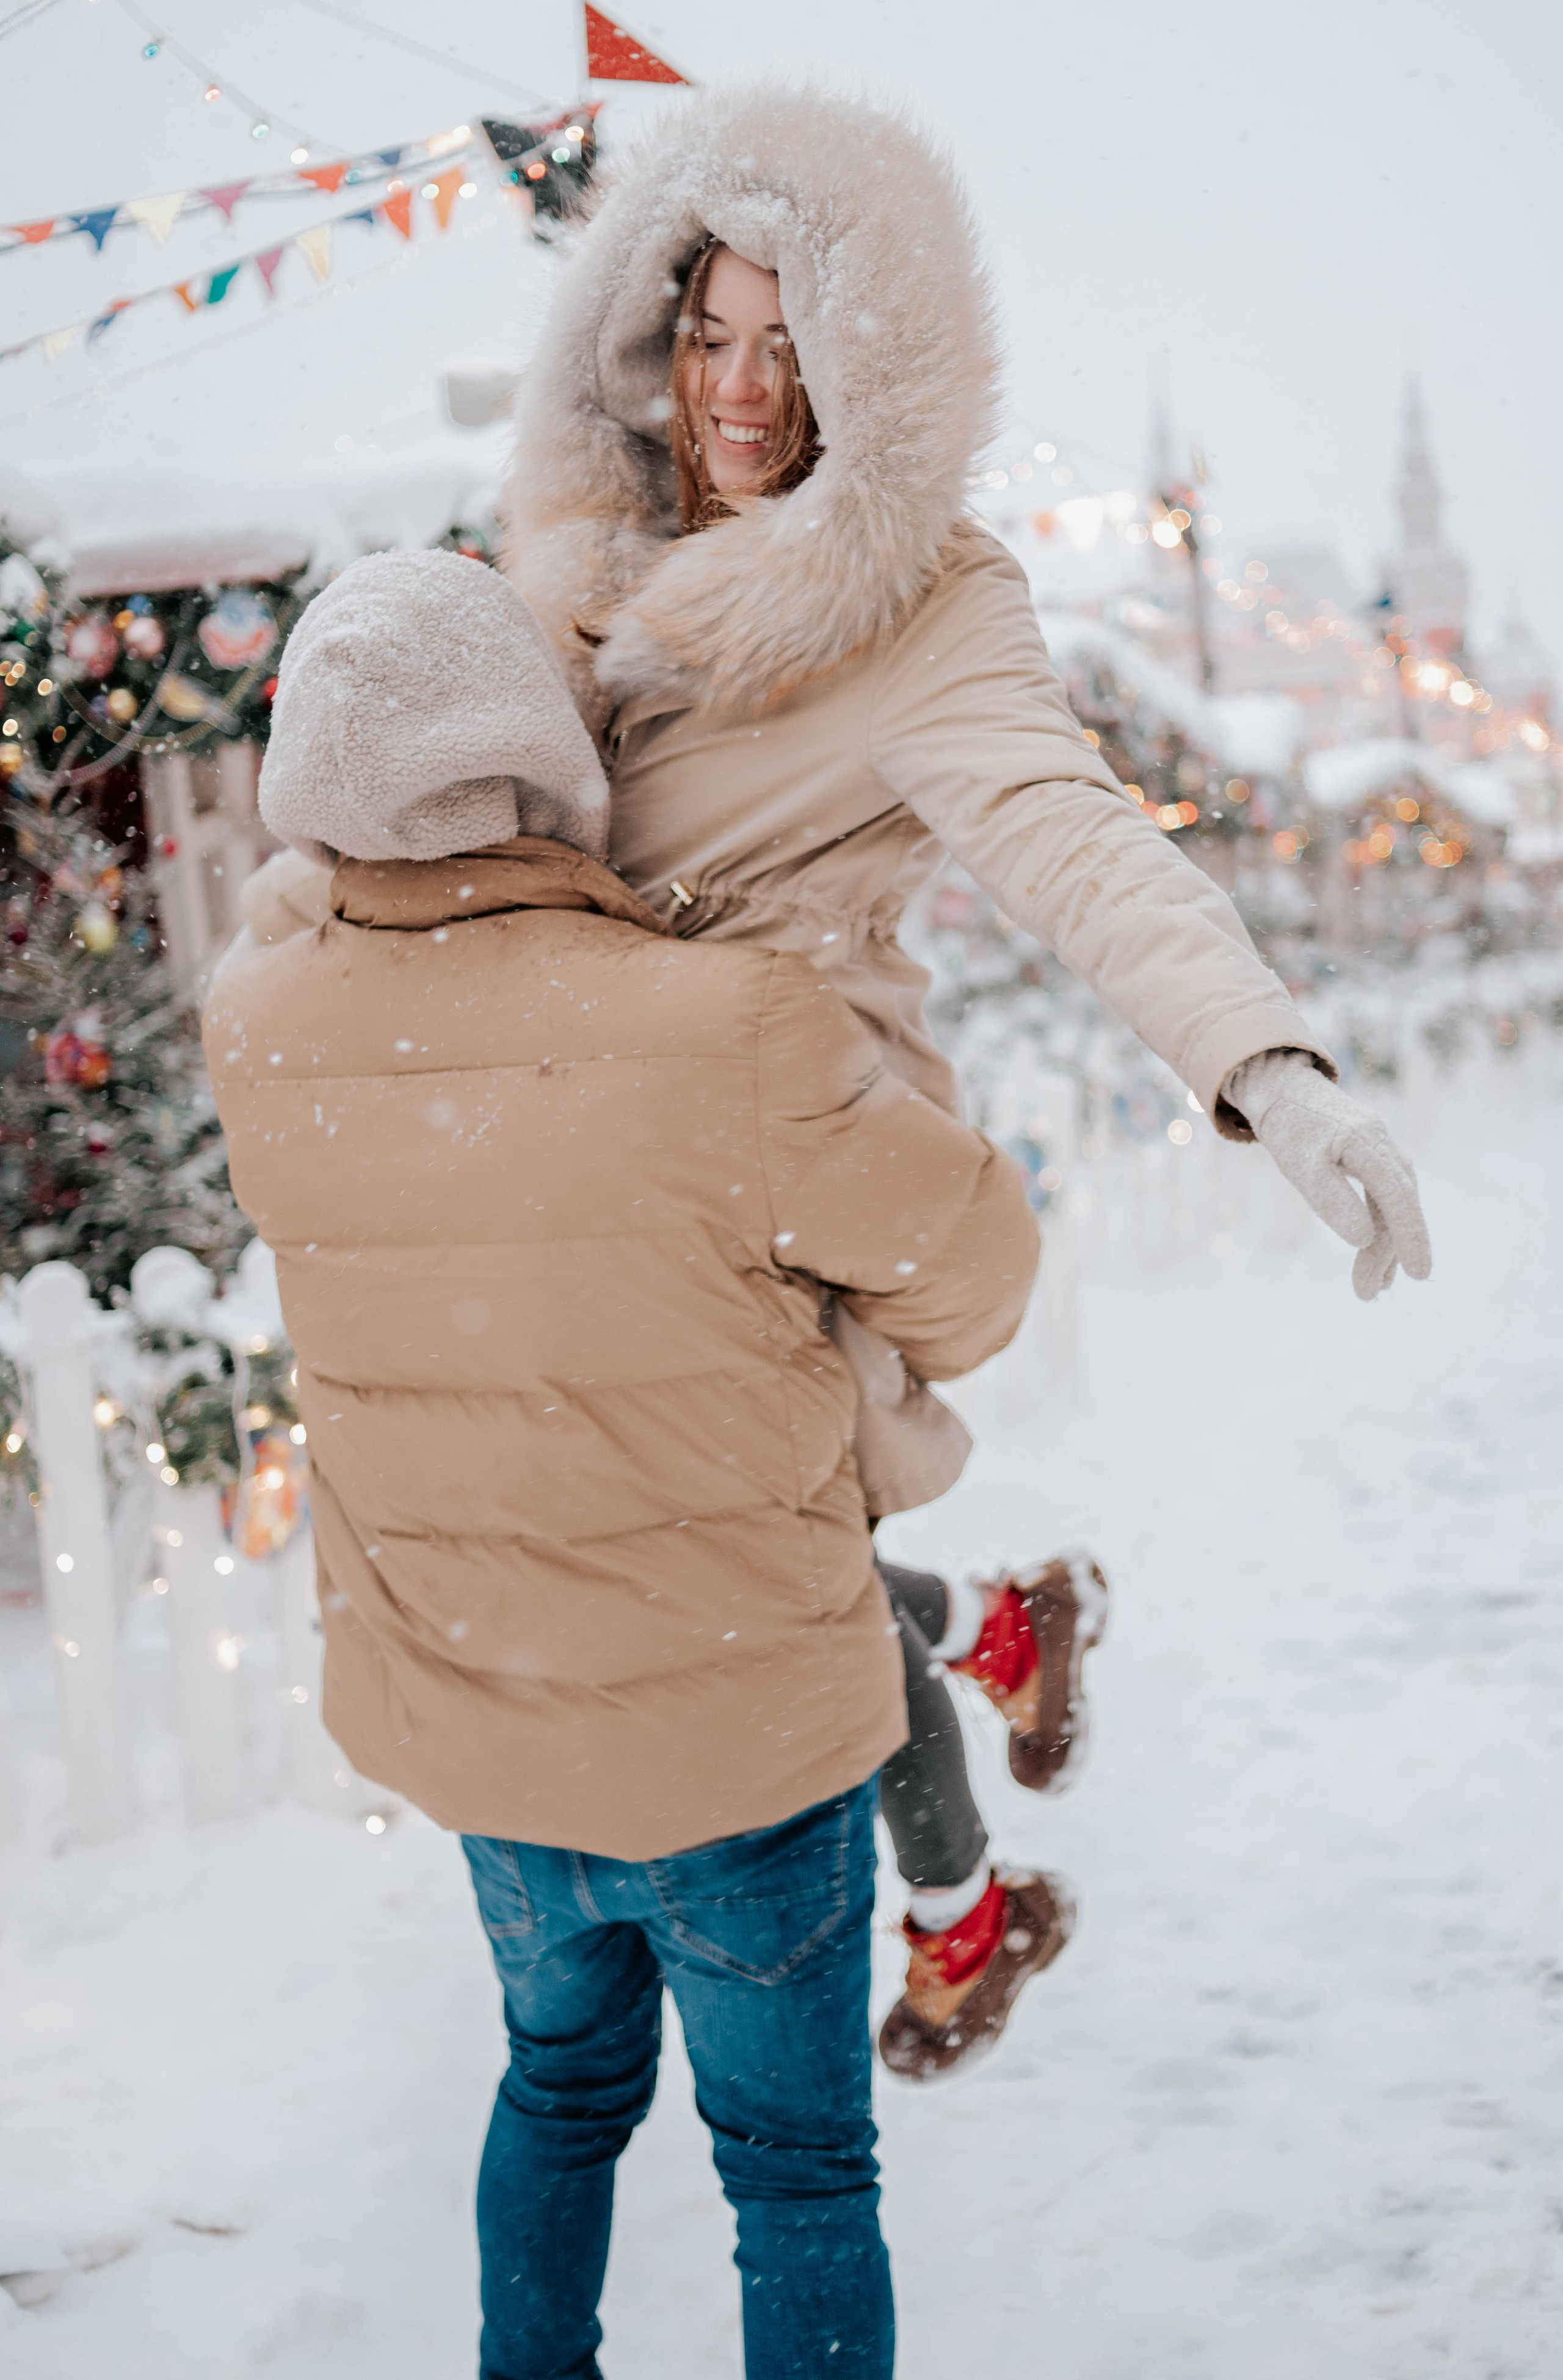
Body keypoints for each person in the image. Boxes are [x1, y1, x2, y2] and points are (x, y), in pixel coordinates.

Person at [499, 80, 1432, 2043]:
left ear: (861, 368)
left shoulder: (920, 600)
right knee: (786, 1557)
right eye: (709, 335)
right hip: (614, 1178)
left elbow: (1076, 837)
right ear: (651, 333)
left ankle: (960, 1912)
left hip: (787, 1154)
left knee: (790, 1570)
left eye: (788, 349)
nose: (739, 390)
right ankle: (1010, 1634)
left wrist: (1272, 1067)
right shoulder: (582, 572)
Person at [204, 546, 1045, 2379]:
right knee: (797, 2171)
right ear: (546, 753)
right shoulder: (720, 1021)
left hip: (491, 1727)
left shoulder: (262, 1033)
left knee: (559, 2092)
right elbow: (978, 1263)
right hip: (742, 1726)